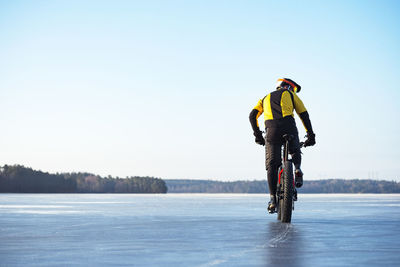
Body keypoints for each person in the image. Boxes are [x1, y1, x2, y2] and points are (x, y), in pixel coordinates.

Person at [249, 78, 315, 212]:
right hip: (288, 126)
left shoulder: (265, 98)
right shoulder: (290, 94)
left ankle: (273, 199)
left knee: (272, 164)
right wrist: (310, 135)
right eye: (294, 89)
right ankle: (297, 168)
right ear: (288, 87)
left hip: (271, 130)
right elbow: (303, 114)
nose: (294, 91)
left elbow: (252, 116)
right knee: (294, 148)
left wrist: (258, 136)